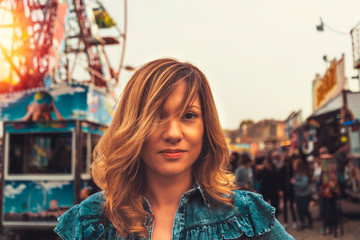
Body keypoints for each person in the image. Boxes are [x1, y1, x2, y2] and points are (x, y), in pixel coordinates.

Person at [54, 58, 293, 239]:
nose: (173, 133)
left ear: (205, 127)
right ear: (133, 127)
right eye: (156, 117)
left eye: (189, 115)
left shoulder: (246, 216)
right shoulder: (88, 222)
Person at [292, 158, 313, 231]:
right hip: (298, 194)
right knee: (299, 209)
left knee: (304, 209)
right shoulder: (295, 173)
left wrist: (295, 183)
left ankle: (310, 221)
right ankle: (303, 223)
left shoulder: (304, 173)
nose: (293, 165)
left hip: (305, 194)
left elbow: (304, 184)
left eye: (294, 164)